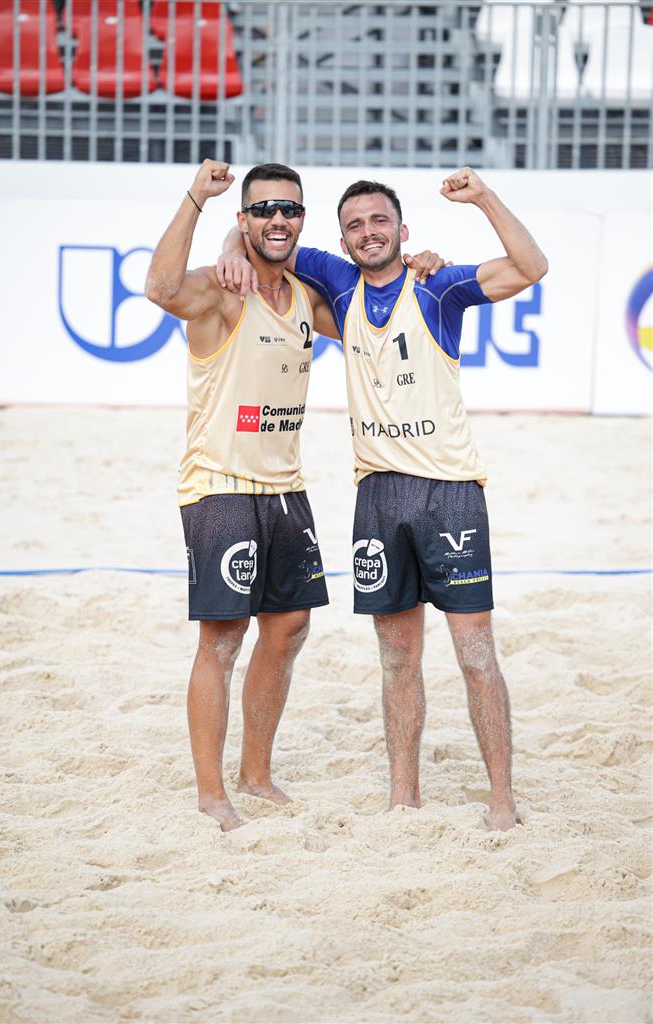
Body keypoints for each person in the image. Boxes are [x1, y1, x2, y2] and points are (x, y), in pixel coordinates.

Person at [220, 167, 548, 830]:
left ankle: (502, 800)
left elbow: (530, 267)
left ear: (403, 230)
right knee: (397, 658)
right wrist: (231, 243)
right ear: (342, 239)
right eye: (355, 225)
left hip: (450, 493)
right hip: (377, 495)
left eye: (379, 221)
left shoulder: (437, 286)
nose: (367, 232)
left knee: (474, 656)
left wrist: (483, 198)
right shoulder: (338, 282)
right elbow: (265, 237)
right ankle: (404, 797)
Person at [145, 159, 446, 831]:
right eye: (262, 210)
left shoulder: (307, 299)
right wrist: (198, 201)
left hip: (286, 488)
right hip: (221, 486)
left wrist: (423, 265)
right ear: (244, 218)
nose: (276, 219)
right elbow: (160, 287)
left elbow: (381, 312)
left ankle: (255, 775)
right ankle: (211, 794)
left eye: (288, 209)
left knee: (288, 629)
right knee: (222, 640)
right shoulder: (223, 290)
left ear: (302, 220)